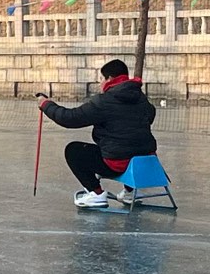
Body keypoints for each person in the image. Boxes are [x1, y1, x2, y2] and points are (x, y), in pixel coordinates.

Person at [37, 59, 159, 209]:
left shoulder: (105, 102)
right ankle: (129, 191)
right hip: (147, 161)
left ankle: (96, 194)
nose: (100, 83)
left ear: (109, 79)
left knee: (74, 150)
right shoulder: (141, 98)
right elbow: (150, 115)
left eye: (101, 79)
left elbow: (70, 118)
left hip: (119, 163)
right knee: (128, 143)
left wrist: (45, 104)